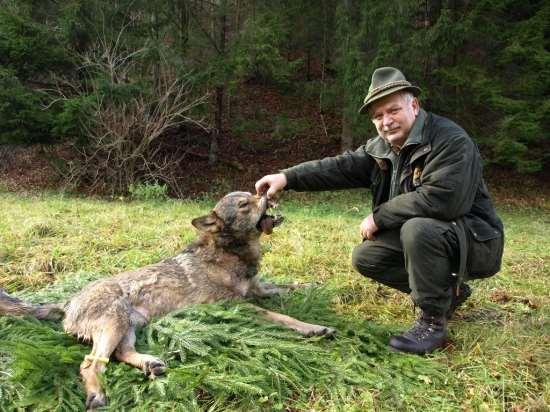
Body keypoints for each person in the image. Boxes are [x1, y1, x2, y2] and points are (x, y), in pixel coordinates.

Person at [255, 67, 504, 354]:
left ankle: (433, 322)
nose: (386, 122)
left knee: (417, 228)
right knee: (368, 257)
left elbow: (443, 200)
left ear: (414, 105)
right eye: (377, 116)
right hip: (437, 238)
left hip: (476, 241)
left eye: (393, 110)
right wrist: (287, 178)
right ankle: (447, 295)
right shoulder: (381, 149)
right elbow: (339, 167)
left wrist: (379, 216)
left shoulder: (451, 141)